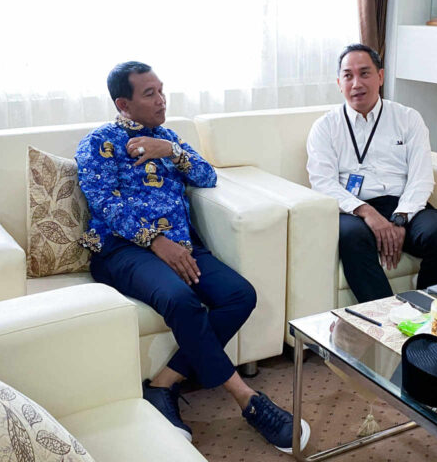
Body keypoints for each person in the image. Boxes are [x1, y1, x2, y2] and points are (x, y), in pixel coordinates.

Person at [76, 61, 310, 453]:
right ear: (123, 104)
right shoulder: (99, 143)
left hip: (182, 245)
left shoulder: (167, 137)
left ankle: (162, 384)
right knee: (182, 300)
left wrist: (171, 150)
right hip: (123, 250)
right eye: (149, 94)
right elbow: (106, 205)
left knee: (240, 295)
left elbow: (207, 176)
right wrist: (156, 241)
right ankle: (248, 400)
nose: (161, 100)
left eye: (161, 90)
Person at [306, 44, 437, 303]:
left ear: (380, 76)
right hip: (353, 210)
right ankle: (387, 317)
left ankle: (427, 311)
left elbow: (421, 178)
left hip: (404, 205)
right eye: (348, 76)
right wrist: (367, 212)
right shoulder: (325, 127)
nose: (356, 83)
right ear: (339, 83)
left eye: (364, 73)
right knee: (351, 237)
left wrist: (400, 218)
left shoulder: (408, 118)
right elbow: (323, 183)